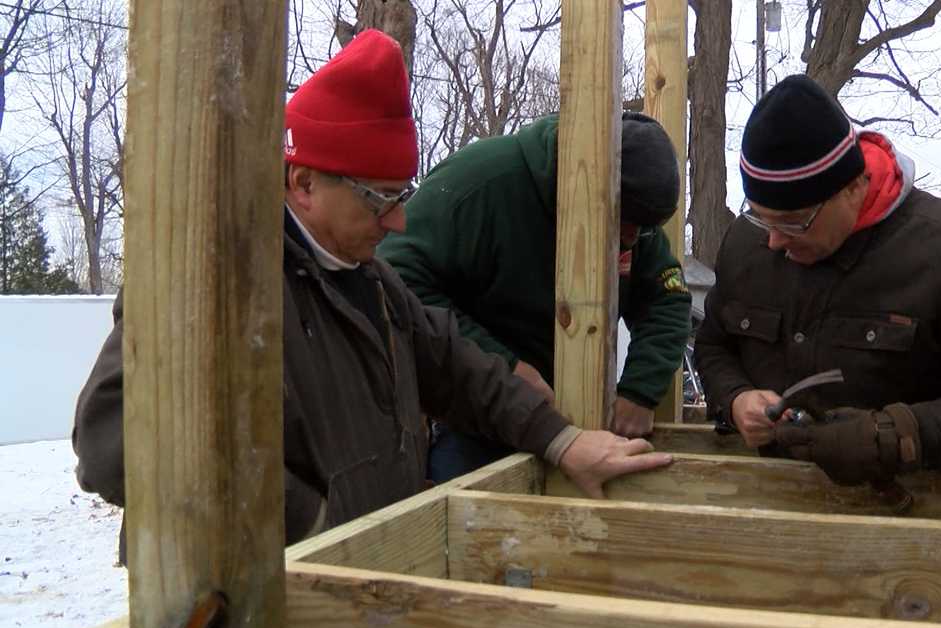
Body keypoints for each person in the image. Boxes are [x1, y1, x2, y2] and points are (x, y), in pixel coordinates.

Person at [72, 30, 671, 560]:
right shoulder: (207, 280)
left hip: (360, 576)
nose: (398, 222)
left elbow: (462, 372)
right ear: (304, 183)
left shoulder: (375, 285)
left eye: (400, 194)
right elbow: (112, 441)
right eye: (379, 198)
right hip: (244, 605)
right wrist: (307, 521)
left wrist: (562, 440)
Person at [694, 74, 941, 488]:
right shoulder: (748, 244)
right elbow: (715, 345)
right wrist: (735, 399)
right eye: (759, 215)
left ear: (854, 188)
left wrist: (897, 437)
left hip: (925, 520)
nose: (773, 240)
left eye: (794, 221)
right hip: (772, 507)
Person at [377, 112, 692, 482]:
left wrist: (640, 390)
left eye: (641, 229)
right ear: (587, 188)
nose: (630, 239)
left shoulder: (634, 218)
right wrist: (504, 365)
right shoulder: (480, 184)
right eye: (624, 224)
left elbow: (667, 301)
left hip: (574, 426)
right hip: (475, 416)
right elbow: (394, 280)